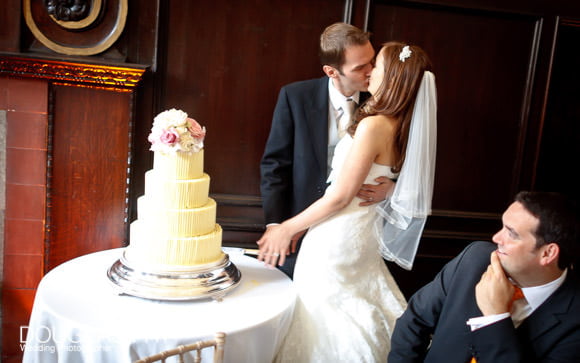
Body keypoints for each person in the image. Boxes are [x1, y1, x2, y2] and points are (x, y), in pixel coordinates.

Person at [257, 42, 437, 362]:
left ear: (392, 78)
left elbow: (339, 196)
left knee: (325, 327)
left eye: (377, 66)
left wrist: (286, 228)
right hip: (363, 237)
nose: (370, 71)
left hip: (336, 240)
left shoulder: (373, 124)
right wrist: (392, 187)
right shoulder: (401, 123)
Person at [260, 22, 395, 278]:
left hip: (355, 229)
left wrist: (393, 188)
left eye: (372, 61)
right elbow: (275, 166)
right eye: (360, 67)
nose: (371, 72)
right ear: (332, 71)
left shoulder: (386, 103)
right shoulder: (295, 96)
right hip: (298, 226)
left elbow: (407, 163)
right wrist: (276, 224)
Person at [388, 191, 580, 362]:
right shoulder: (475, 259)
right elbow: (414, 321)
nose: (496, 238)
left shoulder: (575, 322)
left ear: (547, 254)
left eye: (511, 234)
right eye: (502, 226)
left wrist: (495, 318)